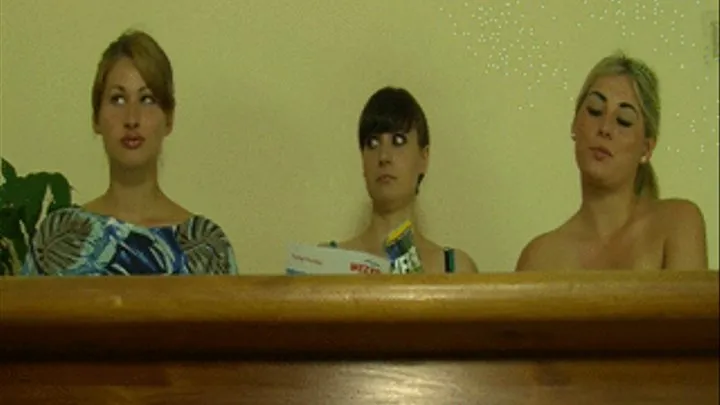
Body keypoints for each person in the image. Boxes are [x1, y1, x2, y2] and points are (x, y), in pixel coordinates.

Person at [20, 29, 238, 276]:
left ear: (169, 118)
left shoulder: (207, 247)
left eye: (147, 100)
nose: (132, 119)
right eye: (118, 99)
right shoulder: (57, 240)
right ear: (96, 118)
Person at [516, 52, 708, 271]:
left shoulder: (678, 223)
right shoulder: (540, 257)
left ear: (646, 148)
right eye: (595, 110)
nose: (605, 128)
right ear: (574, 124)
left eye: (624, 121)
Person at [325, 87, 478, 274]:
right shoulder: (327, 263)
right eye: (372, 143)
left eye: (398, 141)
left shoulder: (455, 268)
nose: (384, 156)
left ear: (424, 157)